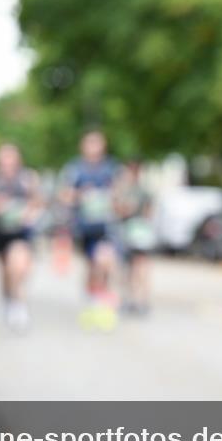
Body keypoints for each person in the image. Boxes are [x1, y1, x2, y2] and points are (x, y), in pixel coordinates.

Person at [60, 130, 122, 329]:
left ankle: (103, 304)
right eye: (89, 143)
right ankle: (92, 300)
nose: (93, 148)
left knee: (105, 262)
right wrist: (81, 195)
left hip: (106, 226)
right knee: (92, 267)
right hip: (85, 228)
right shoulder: (75, 169)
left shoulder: (111, 168)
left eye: (97, 143)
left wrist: (112, 197)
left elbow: (122, 192)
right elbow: (64, 194)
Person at [0, 144, 41, 331]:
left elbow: (39, 202)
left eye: (11, 159)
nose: (8, 164)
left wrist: (29, 210)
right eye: (4, 160)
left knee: (18, 266)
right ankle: (8, 300)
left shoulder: (28, 179)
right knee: (6, 271)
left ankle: (18, 305)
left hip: (21, 234)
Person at [113, 159, 156, 315]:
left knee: (140, 267)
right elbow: (117, 209)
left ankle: (140, 300)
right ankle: (129, 299)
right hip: (126, 232)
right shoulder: (122, 190)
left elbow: (148, 213)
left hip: (138, 233)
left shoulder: (143, 192)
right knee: (126, 269)